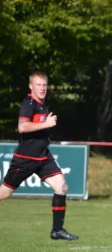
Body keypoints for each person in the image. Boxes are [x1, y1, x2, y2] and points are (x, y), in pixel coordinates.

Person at [0, 71, 79, 241]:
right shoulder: (29, 103)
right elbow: (22, 127)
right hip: (25, 159)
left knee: (62, 187)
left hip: (43, 157)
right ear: (31, 86)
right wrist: (45, 124)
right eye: (38, 85)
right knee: (4, 194)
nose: (42, 88)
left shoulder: (44, 105)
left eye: (44, 85)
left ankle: (57, 230)